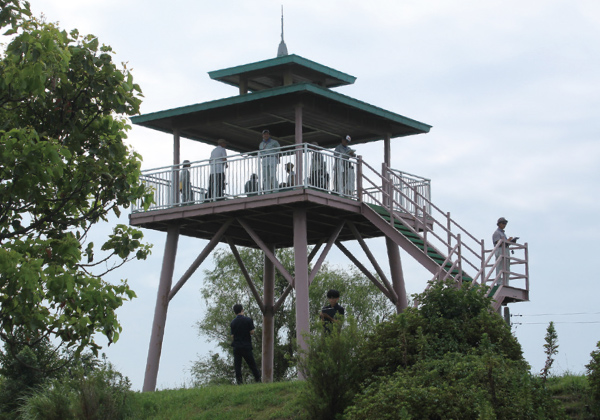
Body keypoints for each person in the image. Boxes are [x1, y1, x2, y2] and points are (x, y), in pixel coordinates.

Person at [230, 304, 261, 385]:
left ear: (235, 312)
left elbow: (232, 335)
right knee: (252, 364)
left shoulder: (233, 322)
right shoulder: (248, 320)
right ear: (242, 310)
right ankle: (258, 380)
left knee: (237, 366)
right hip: (246, 345)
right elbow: (252, 332)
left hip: (237, 346)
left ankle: (239, 382)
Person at [492, 217, 514, 286]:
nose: (504, 225)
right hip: (500, 250)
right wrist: (507, 241)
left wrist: (510, 241)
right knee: (499, 266)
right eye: (503, 223)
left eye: (505, 223)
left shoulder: (503, 233)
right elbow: (498, 242)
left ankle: (506, 283)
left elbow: (504, 242)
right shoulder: (497, 233)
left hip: (506, 250)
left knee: (507, 267)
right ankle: (499, 282)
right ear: (499, 224)